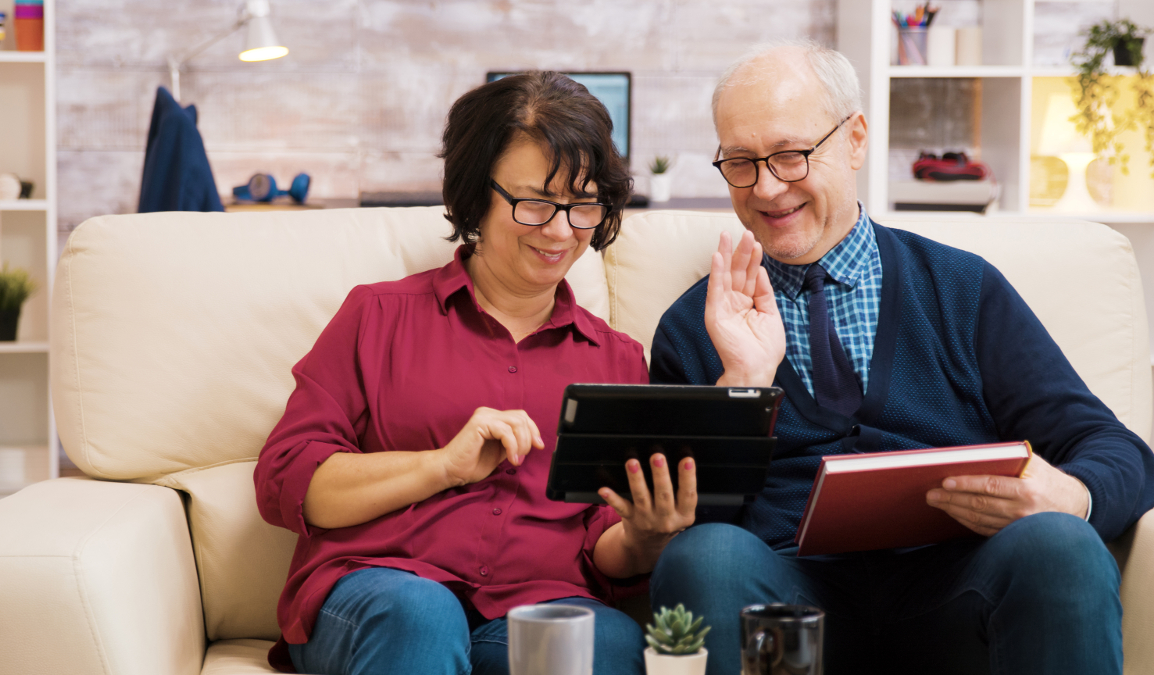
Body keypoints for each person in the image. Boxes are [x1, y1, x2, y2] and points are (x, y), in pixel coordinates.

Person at [648, 40, 1154, 675]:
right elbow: (687, 527)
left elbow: (1118, 450)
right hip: (785, 598)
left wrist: (1072, 496)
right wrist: (742, 387)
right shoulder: (692, 330)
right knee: (705, 557)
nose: (768, 188)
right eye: (742, 163)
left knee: (1060, 544)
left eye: (790, 155)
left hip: (956, 591)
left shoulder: (962, 290)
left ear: (855, 139)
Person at [254, 71, 697, 675]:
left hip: (532, 606)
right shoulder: (378, 316)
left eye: (583, 203)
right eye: (536, 201)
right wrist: (439, 465)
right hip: (380, 593)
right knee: (421, 617)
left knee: (609, 644)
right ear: (474, 195)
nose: (561, 230)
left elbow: (602, 541)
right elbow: (285, 481)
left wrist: (647, 535)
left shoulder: (615, 360)